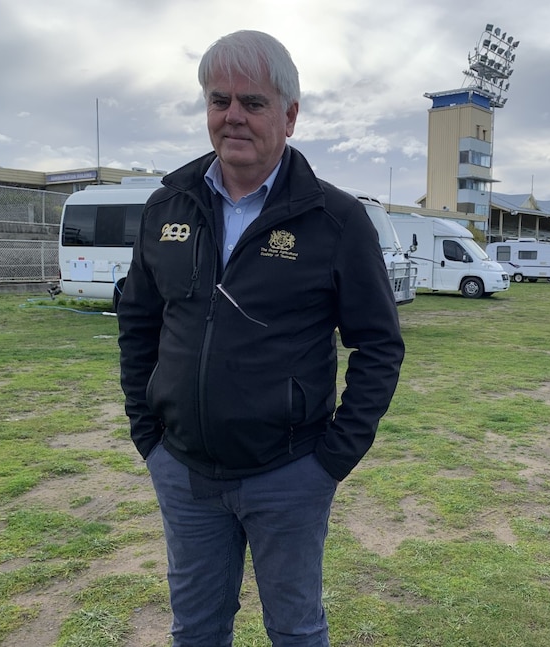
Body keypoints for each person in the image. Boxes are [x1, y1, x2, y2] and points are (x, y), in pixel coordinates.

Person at [117, 29, 405, 647]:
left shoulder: (336, 220)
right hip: (185, 472)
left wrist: (332, 459)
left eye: (253, 103)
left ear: (290, 115)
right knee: (195, 630)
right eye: (219, 101)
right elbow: (139, 324)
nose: (233, 117)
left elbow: (379, 344)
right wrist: (148, 434)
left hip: (290, 473)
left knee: (296, 630)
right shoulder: (168, 206)